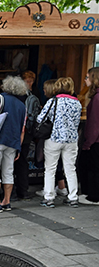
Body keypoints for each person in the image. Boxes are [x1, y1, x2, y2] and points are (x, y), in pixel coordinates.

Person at [0, 76, 27, 213]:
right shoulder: (22, 105)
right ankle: (6, 201)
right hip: (13, 142)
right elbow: (23, 129)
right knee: (8, 171)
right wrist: (18, 147)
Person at [38, 77, 82, 208]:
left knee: (50, 169)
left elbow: (41, 118)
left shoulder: (53, 101)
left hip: (54, 138)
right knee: (70, 169)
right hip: (72, 140)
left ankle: (49, 197)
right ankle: (73, 197)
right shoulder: (77, 103)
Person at [35, 79, 68, 198]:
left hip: (51, 136)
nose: (43, 90)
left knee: (50, 165)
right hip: (67, 137)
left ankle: (48, 192)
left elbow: (40, 119)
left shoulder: (51, 102)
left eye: (44, 88)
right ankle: (62, 187)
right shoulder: (69, 101)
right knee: (63, 164)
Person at [13, 70, 40, 200]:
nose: (29, 83)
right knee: (21, 161)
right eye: (27, 81)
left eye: (31, 81)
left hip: (21, 132)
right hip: (25, 132)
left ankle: (16, 191)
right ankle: (21, 191)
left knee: (17, 161)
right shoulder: (31, 97)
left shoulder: (17, 96)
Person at [79, 67, 99, 205]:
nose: (85, 80)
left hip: (95, 141)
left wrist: (88, 142)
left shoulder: (97, 98)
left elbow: (94, 123)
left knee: (93, 168)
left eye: (87, 77)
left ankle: (93, 196)